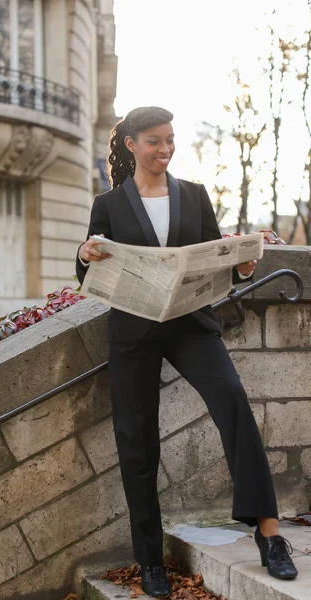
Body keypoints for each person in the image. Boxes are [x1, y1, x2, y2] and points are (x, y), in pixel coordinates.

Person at [76, 106, 297, 597]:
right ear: (131, 144)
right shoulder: (108, 205)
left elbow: (215, 268)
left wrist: (242, 264)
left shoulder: (194, 195)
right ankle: (150, 559)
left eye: (171, 139)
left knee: (235, 403)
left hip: (191, 327)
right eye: (155, 140)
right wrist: (86, 255)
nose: (166, 148)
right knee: (137, 441)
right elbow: (89, 277)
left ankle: (270, 535)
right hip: (133, 331)